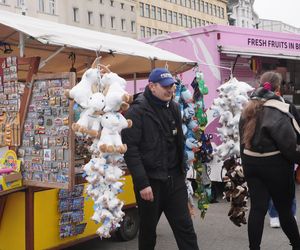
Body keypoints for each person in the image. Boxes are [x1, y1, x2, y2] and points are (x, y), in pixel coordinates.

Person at [121, 68, 199, 250]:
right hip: (151, 183)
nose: (170, 90)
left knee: (186, 229)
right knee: (148, 232)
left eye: (172, 86)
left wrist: (182, 172)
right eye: (165, 86)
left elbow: (179, 141)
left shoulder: (173, 107)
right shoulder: (136, 111)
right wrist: (142, 183)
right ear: (152, 86)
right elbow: (130, 150)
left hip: (174, 180)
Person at [239, 71, 300, 250]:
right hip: (276, 166)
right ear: (278, 88)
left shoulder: (248, 107)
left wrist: (245, 165)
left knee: (257, 209)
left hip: (251, 164)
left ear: (261, 83)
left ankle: (254, 248)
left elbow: (241, 141)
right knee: (284, 210)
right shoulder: (282, 108)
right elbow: (289, 146)